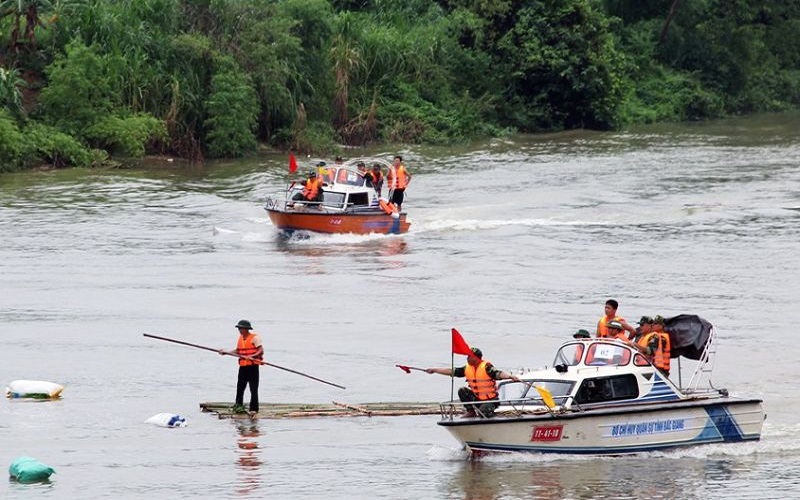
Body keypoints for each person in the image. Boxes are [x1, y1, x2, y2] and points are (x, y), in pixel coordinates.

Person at [425, 347, 520, 418]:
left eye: (469, 356)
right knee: (462, 390)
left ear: (476, 357)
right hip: (477, 399)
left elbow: (498, 373)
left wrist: (510, 376)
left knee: (483, 412)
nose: (467, 358)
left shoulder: (486, 367)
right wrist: (435, 370)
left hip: (490, 401)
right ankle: (471, 411)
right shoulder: (467, 368)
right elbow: (452, 371)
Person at [219, 320, 264, 416]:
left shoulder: (255, 338)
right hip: (243, 367)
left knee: (253, 388)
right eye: (239, 328)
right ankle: (238, 405)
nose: (239, 330)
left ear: (246, 329)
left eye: (241, 328)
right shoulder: (240, 338)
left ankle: (254, 409)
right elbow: (238, 351)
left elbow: (261, 350)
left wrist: (252, 356)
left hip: (252, 366)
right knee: (240, 387)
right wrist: (226, 352)